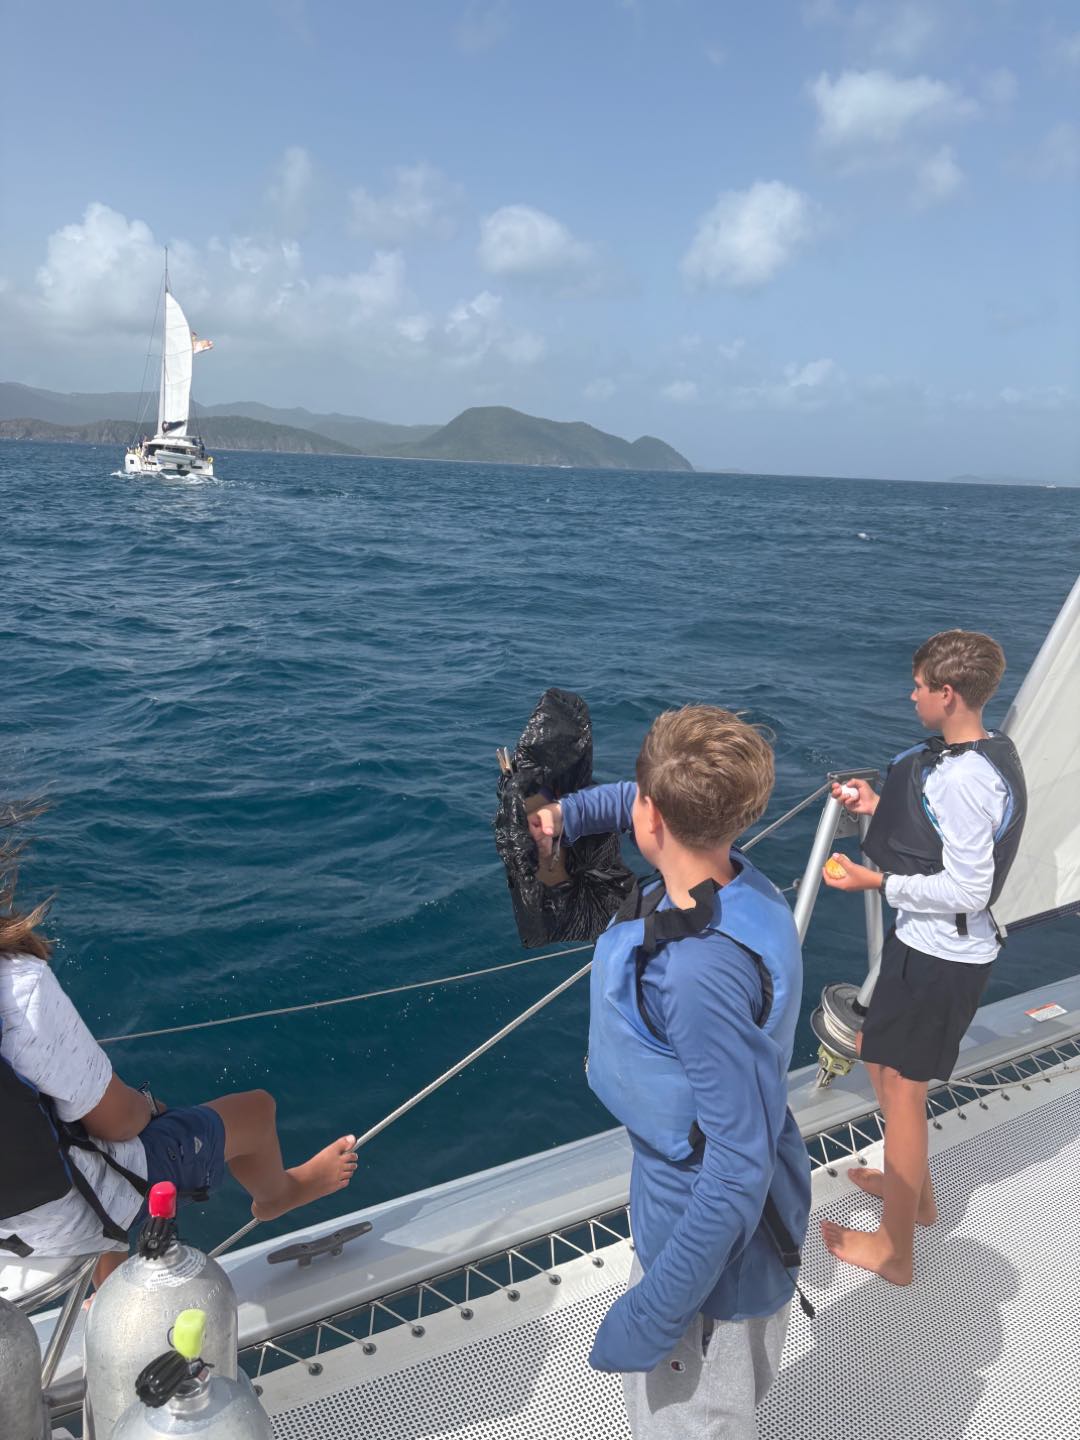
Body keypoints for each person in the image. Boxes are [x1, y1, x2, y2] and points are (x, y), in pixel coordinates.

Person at [530, 707, 810, 1440]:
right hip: (685, 1206)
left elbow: (737, 1169)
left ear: (654, 818)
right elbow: (638, 797)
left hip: (710, 1267)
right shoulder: (735, 880)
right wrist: (566, 815)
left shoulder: (695, 975)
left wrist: (652, 1314)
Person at [0, 808, 358, 1285]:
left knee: (74, 1129)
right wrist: (147, 1107)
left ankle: (102, 1288)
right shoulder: (17, 987)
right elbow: (119, 1122)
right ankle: (280, 1194)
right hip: (62, 1221)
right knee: (254, 1112)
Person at [821, 629, 1026, 1285]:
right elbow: (944, 833)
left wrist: (875, 881)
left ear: (948, 693)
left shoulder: (966, 780)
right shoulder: (979, 756)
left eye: (918, 687)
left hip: (945, 957)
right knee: (879, 1062)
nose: (911, 697)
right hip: (922, 945)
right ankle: (918, 1197)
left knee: (903, 1092)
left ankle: (896, 1251)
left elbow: (970, 889)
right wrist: (876, 805)